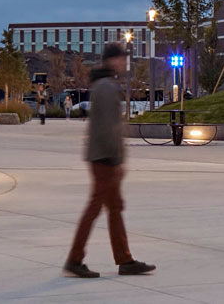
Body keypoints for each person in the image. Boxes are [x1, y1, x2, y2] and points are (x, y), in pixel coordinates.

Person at [64, 43, 155, 279]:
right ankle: (75, 259)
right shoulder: (106, 87)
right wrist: (116, 161)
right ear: (112, 60)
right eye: (122, 59)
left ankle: (125, 260)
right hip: (104, 158)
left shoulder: (105, 84)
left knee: (114, 207)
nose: (125, 63)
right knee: (95, 207)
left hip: (104, 156)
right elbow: (108, 128)